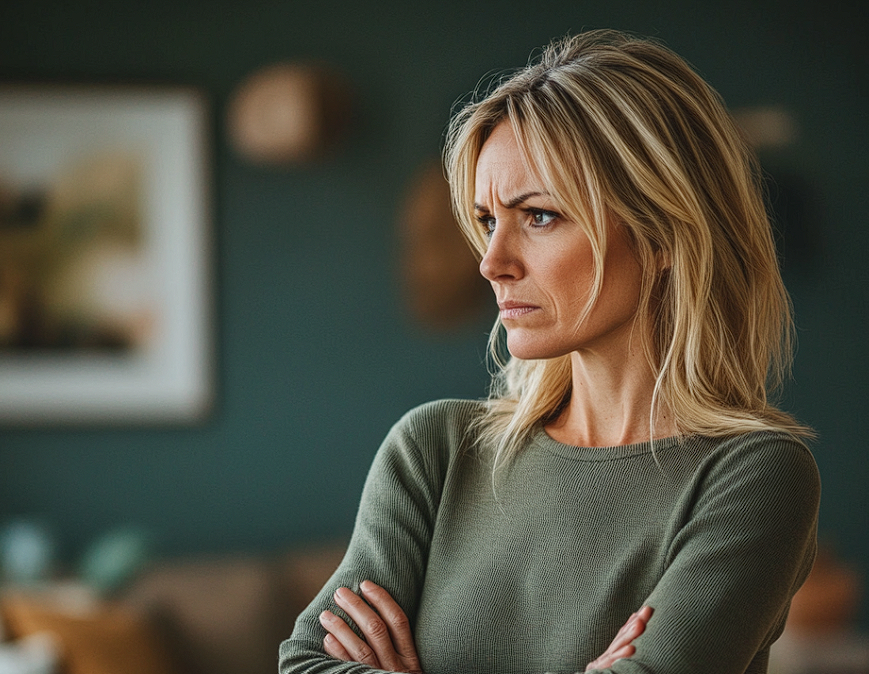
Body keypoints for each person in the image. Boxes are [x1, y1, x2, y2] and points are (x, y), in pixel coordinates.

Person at [279, 29, 820, 674]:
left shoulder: (752, 476)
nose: (491, 263)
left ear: (662, 234)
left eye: (537, 216)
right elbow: (306, 664)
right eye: (486, 220)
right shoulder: (435, 450)